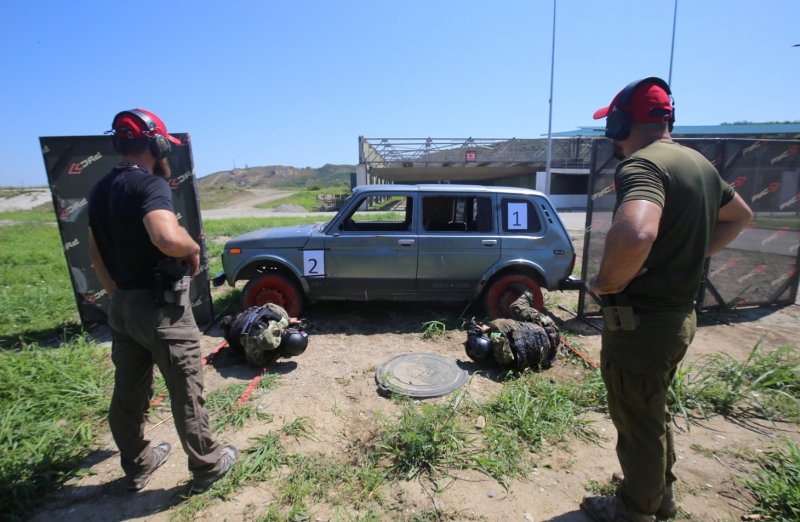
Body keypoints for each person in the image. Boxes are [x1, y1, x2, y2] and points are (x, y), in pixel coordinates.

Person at [580, 79, 753, 521]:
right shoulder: (698, 164)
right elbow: (740, 216)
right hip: (679, 318)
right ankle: (662, 496)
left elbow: (637, 230)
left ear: (620, 122)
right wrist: (690, 252)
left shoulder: (642, 165)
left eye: (611, 122)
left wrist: (605, 281)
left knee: (636, 418)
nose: (610, 132)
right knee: (650, 409)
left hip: (642, 326)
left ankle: (635, 509)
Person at [87, 108, 237, 493]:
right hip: (161, 309)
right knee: (186, 387)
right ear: (155, 144)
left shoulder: (100, 189)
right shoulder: (150, 185)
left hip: (122, 307)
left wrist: (120, 294)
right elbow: (164, 236)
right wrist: (192, 249)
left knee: (128, 392)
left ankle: (137, 464)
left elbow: (94, 254)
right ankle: (207, 465)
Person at [464, 291, 559, 371]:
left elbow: (502, 340)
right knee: (515, 306)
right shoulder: (497, 325)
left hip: (548, 355)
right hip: (550, 330)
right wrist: (488, 329)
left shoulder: (501, 364)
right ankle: (528, 292)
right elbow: (499, 334)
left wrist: (489, 332)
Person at [221, 303, 308, 367]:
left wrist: (287, 320)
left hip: (247, 315)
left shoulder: (281, 316)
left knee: (278, 311)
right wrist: (276, 354)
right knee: (259, 361)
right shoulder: (258, 342)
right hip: (234, 329)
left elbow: (268, 306)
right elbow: (253, 362)